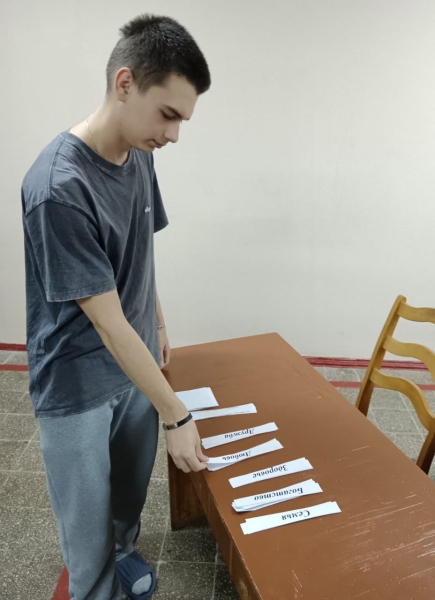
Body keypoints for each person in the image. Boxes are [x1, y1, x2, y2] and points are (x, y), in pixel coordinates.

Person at [21, 14, 211, 600]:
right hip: (77, 379)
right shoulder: (59, 188)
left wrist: (157, 322)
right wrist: (176, 415)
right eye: (168, 114)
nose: (173, 135)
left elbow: (138, 248)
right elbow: (104, 320)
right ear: (125, 83)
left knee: (127, 501)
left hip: (135, 364)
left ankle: (123, 554)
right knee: (87, 544)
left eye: (182, 120)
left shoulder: (140, 152)